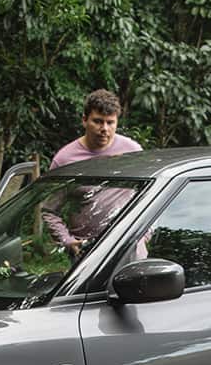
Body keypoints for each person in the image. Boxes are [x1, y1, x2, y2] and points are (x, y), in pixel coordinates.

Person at [45, 90, 142, 257]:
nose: (104, 129)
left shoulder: (132, 151)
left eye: (110, 122)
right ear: (84, 120)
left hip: (129, 244)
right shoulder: (66, 159)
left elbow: (149, 195)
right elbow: (48, 210)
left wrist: (144, 234)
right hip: (88, 253)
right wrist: (67, 241)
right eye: (98, 121)